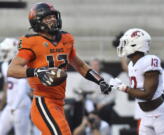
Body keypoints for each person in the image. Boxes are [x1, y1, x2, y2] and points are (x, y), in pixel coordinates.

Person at [7, 2, 111, 135]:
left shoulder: (66, 39)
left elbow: (80, 65)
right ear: (38, 21)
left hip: (59, 103)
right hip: (43, 101)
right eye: (47, 17)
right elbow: (12, 70)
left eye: (53, 16)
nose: (53, 19)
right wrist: (37, 72)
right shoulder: (32, 42)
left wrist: (100, 80)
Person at [110, 28, 164, 135]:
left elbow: (147, 94)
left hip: (161, 114)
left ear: (136, 45)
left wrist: (123, 87)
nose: (124, 46)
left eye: (126, 43)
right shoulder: (132, 65)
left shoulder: (150, 61)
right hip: (146, 115)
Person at [0, 38, 31, 135]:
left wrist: (14, 106)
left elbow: (22, 90)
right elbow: (7, 85)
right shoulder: (5, 65)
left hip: (20, 107)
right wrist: (3, 103)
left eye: (6, 51)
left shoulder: (22, 65)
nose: (3, 53)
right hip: (10, 106)